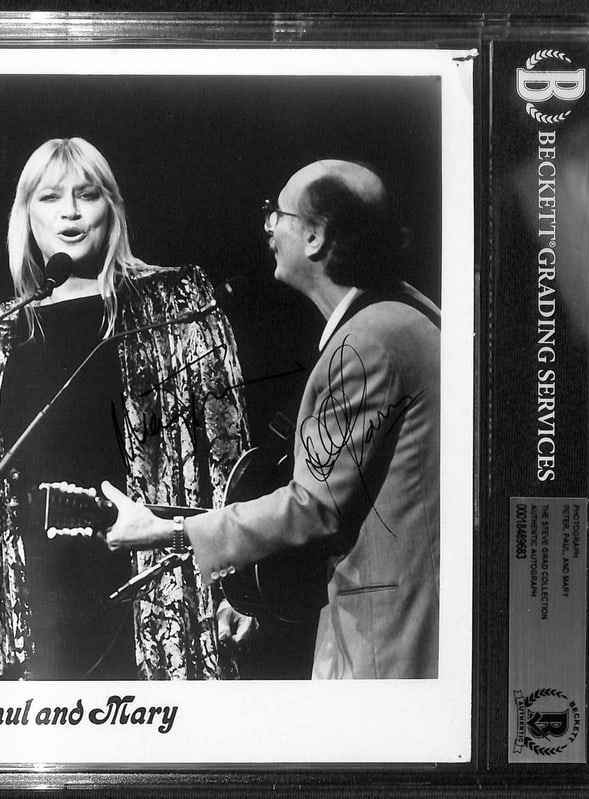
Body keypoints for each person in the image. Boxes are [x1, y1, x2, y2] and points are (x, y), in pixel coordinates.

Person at [104, 159, 441, 679]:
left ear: (313, 236)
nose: (267, 226)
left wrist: (170, 532)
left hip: (388, 641)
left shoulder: (367, 343)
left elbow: (313, 506)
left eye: (276, 214)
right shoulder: (402, 314)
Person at [0, 137, 248, 680]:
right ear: (26, 215)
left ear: (112, 208)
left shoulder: (178, 307)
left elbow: (229, 460)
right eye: (50, 197)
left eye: (87, 195)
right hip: (38, 596)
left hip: (159, 582)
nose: (70, 212)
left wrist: (234, 587)